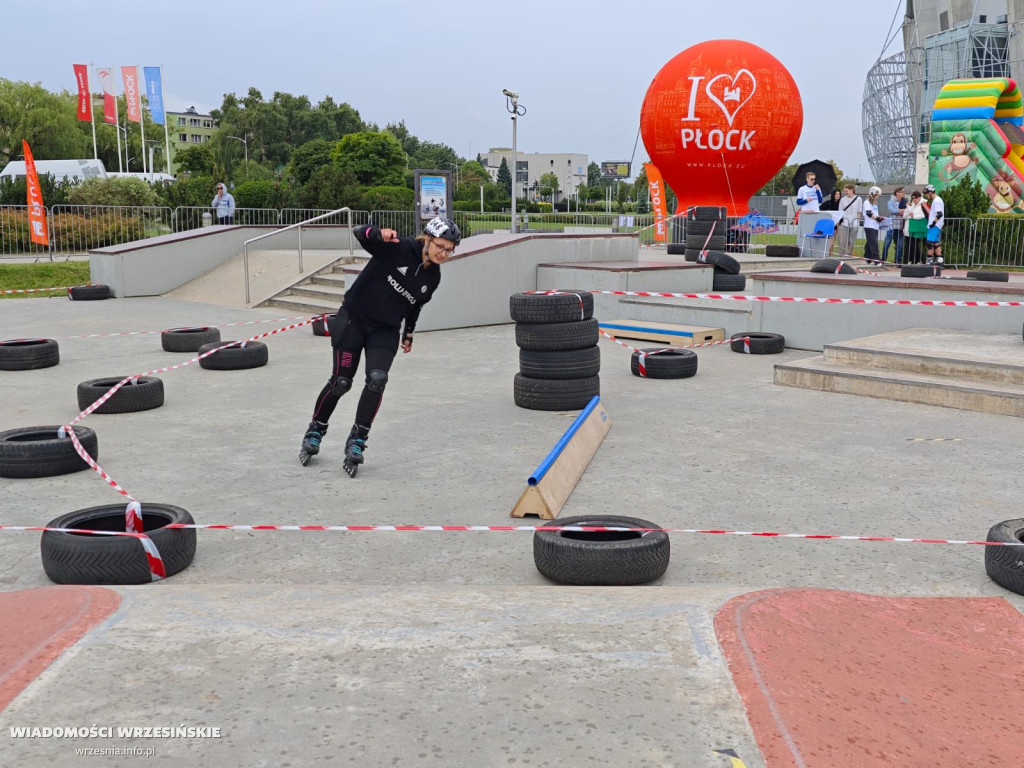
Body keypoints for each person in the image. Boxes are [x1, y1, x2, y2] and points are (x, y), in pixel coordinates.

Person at [298, 216, 461, 475]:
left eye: (449, 250)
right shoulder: (398, 247)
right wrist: (377, 233)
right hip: (354, 319)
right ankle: (316, 429)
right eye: (439, 246)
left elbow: (415, 304)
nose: (443, 253)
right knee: (341, 381)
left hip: (385, 330)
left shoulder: (434, 277)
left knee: (377, 379)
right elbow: (359, 232)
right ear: (427, 239)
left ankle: (358, 440)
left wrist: (409, 332)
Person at [835, 184, 862, 258]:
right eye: (845, 191)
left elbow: (859, 211)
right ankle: (841, 254)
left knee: (851, 241)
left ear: (852, 190)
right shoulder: (843, 199)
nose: (846, 193)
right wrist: (838, 222)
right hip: (844, 222)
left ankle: (849, 254)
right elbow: (840, 212)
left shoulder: (858, 199)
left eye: (847, 191)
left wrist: (858, 221)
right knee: (842, 241)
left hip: (854, 222)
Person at [882, 186, 906, 264]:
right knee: (887, 243)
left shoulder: (905, 201)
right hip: (892, 226)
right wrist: (901, 211)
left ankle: (897, 261)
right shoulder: (891, 202)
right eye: (902, 192)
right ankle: (883, 260)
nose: (903, 193)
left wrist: (900, 211)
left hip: (901, 226)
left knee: (900, 245)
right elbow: (892, 211)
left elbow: (907, 211)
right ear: (897, 193)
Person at [862, 186, 885, 265]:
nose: (877, 197)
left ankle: (867, 258)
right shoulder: (867, 202)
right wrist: (877, 218)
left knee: (870, 242)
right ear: (872, 194)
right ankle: (876, 260)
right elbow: (869, 213)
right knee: (874, 243)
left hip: (875, 226)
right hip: (869, 225)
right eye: (876, 195)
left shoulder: (874, 203)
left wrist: (879, 218)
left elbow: (875, 213)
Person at [923, 184, 945, 265]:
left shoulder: (937, 200)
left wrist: (933, 223)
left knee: (929, 243)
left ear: (930, 192)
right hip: (936, 225)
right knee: (936, 243)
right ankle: (940, 261)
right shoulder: (936, 200)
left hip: (935, 225)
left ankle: (929, 261)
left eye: (926, 193)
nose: (926, 195)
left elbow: (939, 214)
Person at [904, 190, 927, 264]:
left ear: (920, 197)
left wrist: (914, 216)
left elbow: (923, 215)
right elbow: (905, 215)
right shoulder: (912, 205)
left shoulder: (923, 204)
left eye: (915, 198)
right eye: (912, 198)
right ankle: (910, 260)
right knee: (910, 245)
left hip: (917, 228)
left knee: (915, 245)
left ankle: (919, 260)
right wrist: (908, 208)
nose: (914, 199)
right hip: (910, 228)